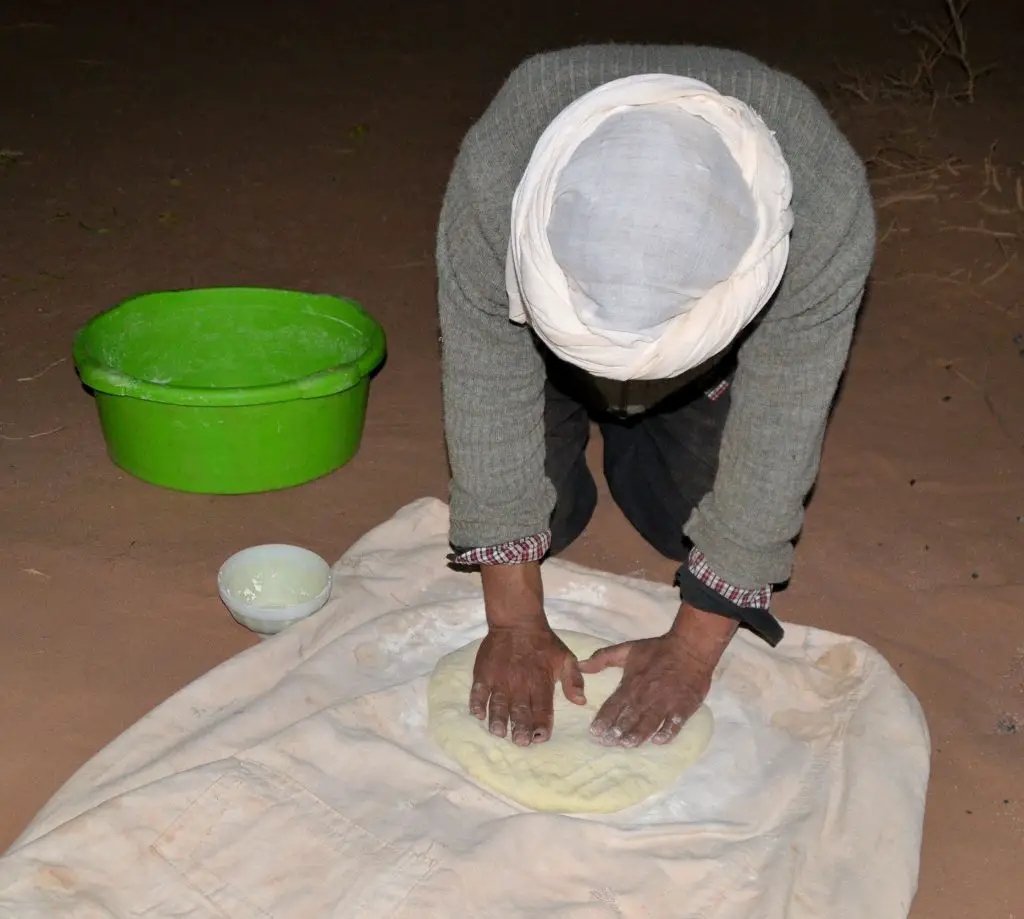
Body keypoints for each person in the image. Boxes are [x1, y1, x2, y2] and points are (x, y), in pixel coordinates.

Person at [435, 45, 875, 751]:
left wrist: (695, 647)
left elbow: (786, 405)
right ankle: (582, 411)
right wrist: (513, 621)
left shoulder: (824, 203)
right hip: (547, 360)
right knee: (550, 519)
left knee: (686, 527)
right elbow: (484, 365)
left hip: (708, 370)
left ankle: (645, 428)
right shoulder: (500, 171)